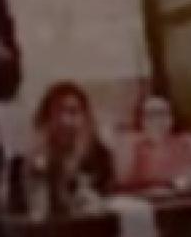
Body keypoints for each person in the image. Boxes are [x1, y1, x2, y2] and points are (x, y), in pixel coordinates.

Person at [11, 81, 114, 218]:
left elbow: (109, 206)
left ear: (86, 118)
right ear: (45, 120)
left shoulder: (100, 158)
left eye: (73, 112)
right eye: (57, 112)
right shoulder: (21, 166)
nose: (64, 121)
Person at [116, 94, 191, 194]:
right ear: (141, 120)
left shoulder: (188, 141)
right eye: (150, 115)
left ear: (171, 118)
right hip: (146, 199)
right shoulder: (133, 144)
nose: (157, 119)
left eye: (162, 113)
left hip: (184, 197)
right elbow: (122, 180)